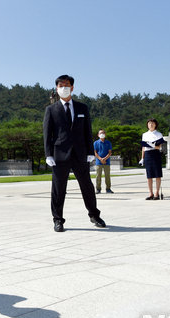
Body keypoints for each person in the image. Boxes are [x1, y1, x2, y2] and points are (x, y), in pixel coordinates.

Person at [43, 74, 106, 232]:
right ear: (57, 89)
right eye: (60, 85)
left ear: (72, 87)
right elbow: (47, 133)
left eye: (66, 84)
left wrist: (90, 151)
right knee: (58, 188)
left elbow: (87, 130)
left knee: (87, 186)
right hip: (59, 154)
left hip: (80, 153)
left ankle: (94, 215)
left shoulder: (82, 108)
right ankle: (58, 219)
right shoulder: (51, 109)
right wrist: (48, 154)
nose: (63, 87)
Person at [140, 118, 165, 200]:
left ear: (155, 125)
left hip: (155, 153)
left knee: (157, 175)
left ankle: (156, 193)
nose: (151, 124)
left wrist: (152, 145)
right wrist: (142, 158)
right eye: (149, 123)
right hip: (147, 154)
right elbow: (143, 147)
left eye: (152, 123)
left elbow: (159, 146)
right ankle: (150, 193)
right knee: (149, 175)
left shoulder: (159, 134)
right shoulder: (144, 134)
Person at [93, 129, 113, 194]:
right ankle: (98, 189)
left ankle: (108, 189)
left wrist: (104, 159)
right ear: (98, 135)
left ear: (105, 134)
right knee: (98, 176)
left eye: (103, 133)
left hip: (107, 162)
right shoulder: (95, 143)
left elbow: (110, 153)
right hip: (98, 162)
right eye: (101, 133)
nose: (102, 134)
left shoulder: (108, 142)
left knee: (107, 176)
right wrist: (100, 159)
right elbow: (95, 152)